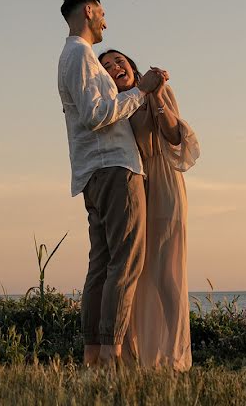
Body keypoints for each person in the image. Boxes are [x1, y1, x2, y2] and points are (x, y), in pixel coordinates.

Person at [57, 0, 168, 367]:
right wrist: (142, 89)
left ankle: (94, 356)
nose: (106, 21)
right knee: (125, 262)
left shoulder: (72, 56)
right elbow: (95, 113)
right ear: (89, 11)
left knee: (102, 264)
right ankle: (111, 355)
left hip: (94, 172)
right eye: (103, 13)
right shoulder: (80, 54)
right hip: (115, 169)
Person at [99, 49, 200, 371]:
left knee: (165, 273)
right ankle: (134, 357)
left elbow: (173, 135)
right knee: (134, 271)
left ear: (132, 66)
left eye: (119, 61)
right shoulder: (118, 106)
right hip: (136, 185)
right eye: (106, 66)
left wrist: (155, 94)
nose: (115, 67)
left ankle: (175, 354)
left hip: (165, 183)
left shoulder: (156, 91)